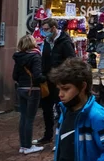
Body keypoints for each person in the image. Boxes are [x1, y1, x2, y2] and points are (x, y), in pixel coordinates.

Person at [50, 58, 104, 161]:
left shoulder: (98, 116)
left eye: (66, 89)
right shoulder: (65, 110)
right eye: (59, 89)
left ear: (83, 86)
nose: (60, 94)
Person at [33, 18, 75, 146]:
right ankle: (47, 136)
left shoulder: (65, 41)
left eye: (46, 29)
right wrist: (41, 75)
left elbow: (71, 61)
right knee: (46, 109)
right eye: (43, 29)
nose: (44, 32)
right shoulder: (46, 41)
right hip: (47, 81)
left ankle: (61, 139)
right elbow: (44, 60)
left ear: (53, 28)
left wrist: (64, 77)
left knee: (62, 110)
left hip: (60, 81)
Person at [13, 35, 45, 155]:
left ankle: (23, 145)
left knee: (23, 117)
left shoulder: (18, 57)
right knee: (30, 119)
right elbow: (37, 75)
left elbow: (14, 76)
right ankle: (28, 146)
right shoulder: (35, 56)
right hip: (33, 89)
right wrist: (45, 78)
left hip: (21, 88)